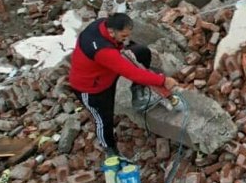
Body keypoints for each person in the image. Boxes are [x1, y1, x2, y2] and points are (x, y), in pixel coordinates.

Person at [68, 13, 178, 157]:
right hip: (92, 88)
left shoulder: (104, 24)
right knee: (104, 119)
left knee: (142, 52)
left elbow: (124, 57)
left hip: (106, 72)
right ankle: (109, 149)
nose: (125, 40)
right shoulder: (103, 51)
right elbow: (133, 73)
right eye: (123, 36)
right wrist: (163, 81)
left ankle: (138, 93)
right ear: (112, 31)